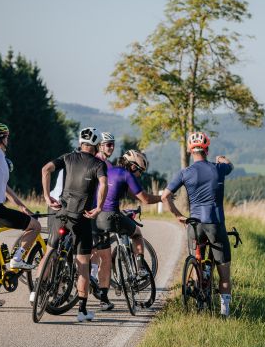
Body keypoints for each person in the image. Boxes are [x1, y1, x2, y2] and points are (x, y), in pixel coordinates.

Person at [34, 127, 108, 322]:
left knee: (50, 249)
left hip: (61, 212)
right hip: (81, 217)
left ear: (81, 142)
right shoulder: (99, 164)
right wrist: (99, 207)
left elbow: (45, 169)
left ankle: (36, 290)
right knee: (83, 263)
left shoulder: (67, 157)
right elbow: (104, 185)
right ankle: (82, 311)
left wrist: (46, 196)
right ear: (95, 145)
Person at [160, 132, 234, 317]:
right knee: (224, 272)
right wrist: (223, 159)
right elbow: (230, 166)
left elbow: (165, 196)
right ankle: (225, 313)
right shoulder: (218, 168)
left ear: (190, 151)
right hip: (215, 223)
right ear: (207, 149)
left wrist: (178, 215)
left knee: (196, 260)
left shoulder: (185, 173)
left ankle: (198, 298)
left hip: (195, 224)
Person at [0, 123, 42, 307]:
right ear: (3, 138)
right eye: (7, 137)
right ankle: (17, 259)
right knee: (35, 226)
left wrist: (21, 207)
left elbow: (5, 189)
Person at [95, 149, 162, 303]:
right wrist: (162, 198)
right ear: (133, 167)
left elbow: (131, 194)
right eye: (140, 171)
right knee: (137, 234)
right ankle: (140, 269)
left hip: (96, 216)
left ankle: (102, 281)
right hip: (110, 215)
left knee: (101, 252)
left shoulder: (110, 170)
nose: (139, 175)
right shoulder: (127, 174)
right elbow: (144, 199)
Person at [90, 132, 116, 310]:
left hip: (83, 211)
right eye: (107, 144)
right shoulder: (102, 164)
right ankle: (103, 298)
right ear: (99, 146)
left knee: (90, 250)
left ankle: (91, 277)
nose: (111, 147)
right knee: (105, 256)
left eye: (112, 144)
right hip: (97, 213)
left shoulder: (90, 161)